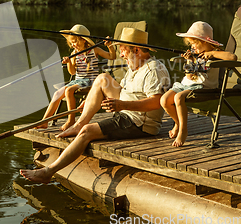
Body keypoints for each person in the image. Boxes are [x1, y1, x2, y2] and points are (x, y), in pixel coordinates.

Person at [20, 28, 171, 184]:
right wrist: (95, 96)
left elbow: (155, 102)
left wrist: (121, 104)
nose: (121, 55)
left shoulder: (153, 70)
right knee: (102, 78)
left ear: (136, 50)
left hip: (138, 122)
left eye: (123, 50)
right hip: (127, 109)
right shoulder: (135, 66)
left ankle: (48, 171)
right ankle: (79, 124)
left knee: (87, 131)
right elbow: (125, 90)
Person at [160, 21, 237, 147]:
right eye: (191, 44)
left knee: (178, 97)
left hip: (204, 85)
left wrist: (212, 54)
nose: (192, 47)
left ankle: (183, 130)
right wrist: (189, 61)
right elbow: (190, 76)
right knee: (164, 100)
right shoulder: (196, 55)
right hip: (188, 84)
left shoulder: (215, 53)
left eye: (194, 43)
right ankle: (178, 123)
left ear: (205, 42)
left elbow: (233, 57)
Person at [37, 24, 116, 131]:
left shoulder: (95, 50)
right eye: (71, 42)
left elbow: (112, 57)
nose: (73, 44)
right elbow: (73, 72)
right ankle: (44, 121)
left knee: (69, 90)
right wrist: (69, 62)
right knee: (57, 93)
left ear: (84, 40)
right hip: (78, 80)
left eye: (75, 41)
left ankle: (71, 120)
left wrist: (109, 46)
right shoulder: (74, 53)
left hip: (91, 80)